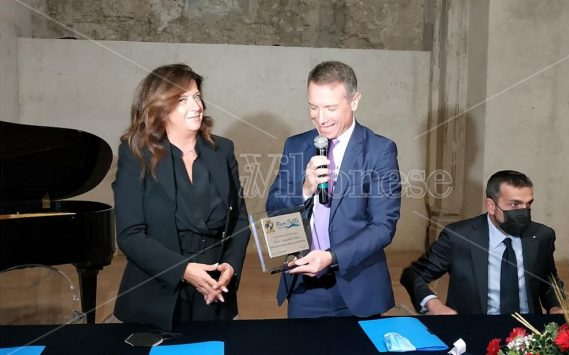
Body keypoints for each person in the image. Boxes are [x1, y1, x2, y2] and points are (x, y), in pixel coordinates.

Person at [112, 64, 250, 330]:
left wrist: (230, 267)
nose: (196, 106)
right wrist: (183, 270)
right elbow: (130, 235)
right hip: (155, 294)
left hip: (213, 293)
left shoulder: (222, 150)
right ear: (160, 107)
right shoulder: (135, 153)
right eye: (182, 99)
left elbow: (240, 220)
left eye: (197, 96)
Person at [266, 60, 401, 318]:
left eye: (330, 108)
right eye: (313, 107)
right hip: (304, 288)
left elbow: (383, 226)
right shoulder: (295, 145)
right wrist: (305, 189)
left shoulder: (379, 150)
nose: (321, 118)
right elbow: (273, 208)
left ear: (354, 101)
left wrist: (330, 257)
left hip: (357, 286)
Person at [400, 170, 563, 315]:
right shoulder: (458, 236)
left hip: (529, 334)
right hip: (474, 327)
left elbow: (548, 281)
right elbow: (414, 275)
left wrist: (556, 306)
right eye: (515, 204)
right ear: (491, 206)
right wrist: (433, 304)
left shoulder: (542, 236)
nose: (523, 211)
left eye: (528, 204)